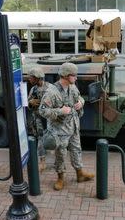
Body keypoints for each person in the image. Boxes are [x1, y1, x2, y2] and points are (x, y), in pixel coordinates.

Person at [39, 62, 94, 191]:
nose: (76, 77)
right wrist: (60, 111)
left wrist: (81, 102)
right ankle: (60, 178)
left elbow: (79, 97)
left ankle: (80, 173)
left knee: (76, 149)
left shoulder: (72, 87)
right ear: (65, 76)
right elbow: (42, 111)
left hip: (74, 126)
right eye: (74, 75)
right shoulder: (52, 92)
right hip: (59, 130)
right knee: (61, 154)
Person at [27, 66, 52, 171]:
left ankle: (46, 161)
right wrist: (30, 102)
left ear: (37, 77)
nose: (29, 79)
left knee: (48, 138)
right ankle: (43, 160)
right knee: (40, 137)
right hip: (37, 118)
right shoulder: (33, 89)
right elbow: (28, 102)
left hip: (48, 119)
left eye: (31, 77)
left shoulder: (50, 88)